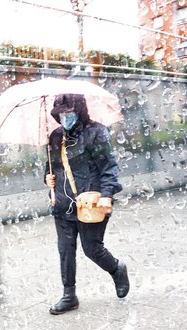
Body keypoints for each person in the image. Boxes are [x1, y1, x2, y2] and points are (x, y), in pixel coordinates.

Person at [44, 93, 129, 315]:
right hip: (63, 204)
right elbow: (52, 167)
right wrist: (47, 178)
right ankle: (69, 295)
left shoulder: (96, 132)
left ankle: (116, 269)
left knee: (92, 249)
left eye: (69, 113)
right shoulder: (54, 137)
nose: (65, 118)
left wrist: (107, 194)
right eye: (61, 114)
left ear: (79, 111)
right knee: (65, 250)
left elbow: (108, 166)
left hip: (90, 201)